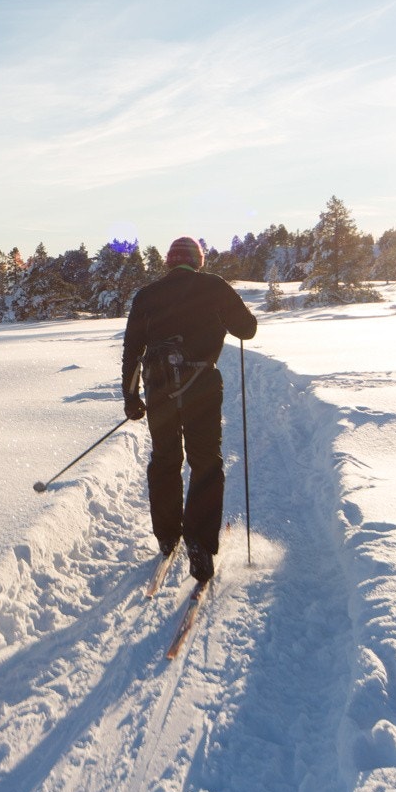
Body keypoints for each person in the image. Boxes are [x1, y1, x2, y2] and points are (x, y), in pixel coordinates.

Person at [121, 236, 258, 584]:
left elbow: (131, 350)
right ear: (198, 261)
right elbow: (247, 329)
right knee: (206, 462)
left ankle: (168, 537)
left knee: (165, 458)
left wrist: (131, 396)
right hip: (201, 385)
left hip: (159, 388)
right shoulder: (214, 286)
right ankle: (200, 543)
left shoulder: (147, 294)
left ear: (169, 262)